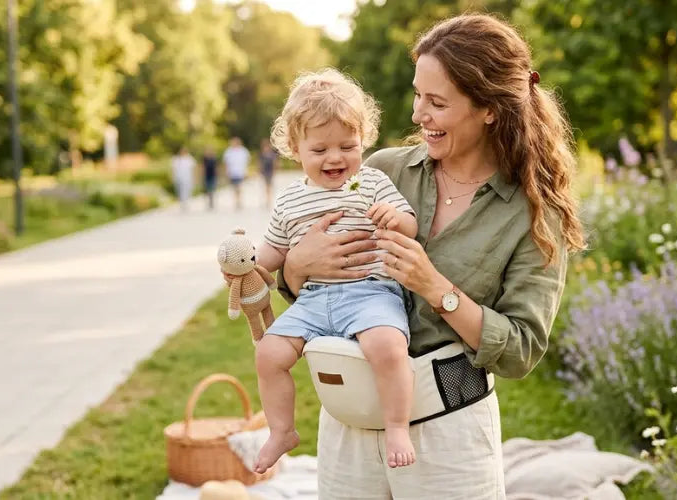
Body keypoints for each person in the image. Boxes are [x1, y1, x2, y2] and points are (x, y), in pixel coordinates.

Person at [275, 14, 585, 499]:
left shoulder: (531, 212)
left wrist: (436, 288)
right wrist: (297, 266)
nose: (419, 114)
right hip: (350, 427)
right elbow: (309, 289)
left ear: (487, 109)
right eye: (418, 95)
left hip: (450, 436)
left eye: (437, 102)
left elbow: (522, 349)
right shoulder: (380, 171)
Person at [250, 68, 419, 473]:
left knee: (389, 347)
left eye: (348, 146)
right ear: (295, 147)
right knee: (269, 354)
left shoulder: (372, 182)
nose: (336, 158)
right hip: (313, 299)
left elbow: (411, 225)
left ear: (363, 141)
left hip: (371, 293)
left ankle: (397, 426)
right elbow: (273, 250)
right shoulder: (290, 200)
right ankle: (281, 430)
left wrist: (394, 218)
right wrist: (248, 267)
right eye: (320, 149)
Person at [222, 137, 250, 210]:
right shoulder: (228, 151)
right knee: (234, 187)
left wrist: (246, 171)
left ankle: (239, 201)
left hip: (241, 172)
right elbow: (226, 163)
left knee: (239, 187)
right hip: (232, 172)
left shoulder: (243, 151)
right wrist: (227, 171)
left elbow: (246, 162)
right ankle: (236, 201)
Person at [170, 146, 196, 211]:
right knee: (179, 191)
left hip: (188, 178)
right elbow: (173, 169)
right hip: (178, 178)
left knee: (186, 191)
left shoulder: (190, 159)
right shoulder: (176, 159)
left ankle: (185, 203)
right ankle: (182, 202)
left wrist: (194, 178)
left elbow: (193, 169)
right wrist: (173, 177)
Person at [259, 139, 279, 208]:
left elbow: (275, 163)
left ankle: (269, 200)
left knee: (269, 186)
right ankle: (267, 200)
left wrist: (274, 171)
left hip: (270, 172)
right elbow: (260, 163)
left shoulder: (272, 154)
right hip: (264, 172)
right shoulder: (262, 154)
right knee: (266, 186)